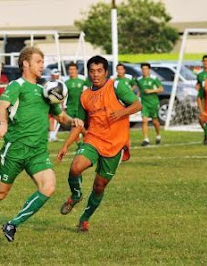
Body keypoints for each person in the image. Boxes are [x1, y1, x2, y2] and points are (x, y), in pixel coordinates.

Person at [0, 46, 83, 242]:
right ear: (26, 63)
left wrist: (73, 121)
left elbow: (60, 116)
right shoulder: (17, 85)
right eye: (38, 62)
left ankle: (12, 224)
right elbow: (1, 106)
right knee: (0, 194)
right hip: (15, 150)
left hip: (38, 152)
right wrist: (3, 124)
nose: (42, 66)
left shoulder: (46, 90)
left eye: (43, 62)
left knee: (48, 187)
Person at [57, 55, 142, 232]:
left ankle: (84, 219)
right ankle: (75, 195)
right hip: (93, 139)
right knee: (75, 168)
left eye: (99, 71)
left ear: (106, 72)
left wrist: (122, 113)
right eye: (92, 71)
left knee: (99, 186)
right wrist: (65, 145)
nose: (95, 75)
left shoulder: (116, 86)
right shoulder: (85, 95)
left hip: (115, 145)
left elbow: (137, 104)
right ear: (88, 73)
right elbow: (80, 124)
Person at [136, 63, 164, 146]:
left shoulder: (154, 79)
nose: (144, 71)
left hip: (153, 103)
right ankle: (146, 139)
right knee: (144, 121)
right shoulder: (139, 80)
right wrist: (137, 98)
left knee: (155, 122)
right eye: (143, 69)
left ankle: (158, 135)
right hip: (144, 104)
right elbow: (139, 90)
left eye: (146, 69)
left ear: (149, 70)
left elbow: (161, 89)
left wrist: (151, 91)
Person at [195, 55, 207, 144]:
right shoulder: (200, 75)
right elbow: (198, 85)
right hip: (204, 100)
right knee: (202, 119)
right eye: (204, 61)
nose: (205, 62)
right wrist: (197, 86)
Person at [48, 68, 63, 142]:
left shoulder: (61, 83)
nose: (56, 77)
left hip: (57, 103)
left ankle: (52, 135)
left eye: (57, 76)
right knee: (52, 119)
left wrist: (63, 105)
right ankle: (52, 135)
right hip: (51, 104)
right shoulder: (49, 83)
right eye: (54, 76)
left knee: (55, 119)